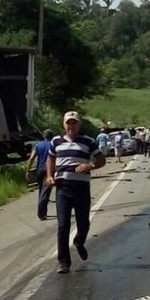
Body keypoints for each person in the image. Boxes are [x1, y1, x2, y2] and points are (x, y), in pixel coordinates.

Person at [46, 111, 106, 273]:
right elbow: (50, 158)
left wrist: (90, 166)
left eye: (74, 123)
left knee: (83, 223)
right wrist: (50, 175)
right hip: (62, 188)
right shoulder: (56, 141)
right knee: (63, 225)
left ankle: (79, 241)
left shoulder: (88, 142)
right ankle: (64, 262)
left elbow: (101, 159)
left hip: (81, 188)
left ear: (79, 125)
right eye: (69, 123)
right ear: (64, 125)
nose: (71, 126)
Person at [24, 129, 54, 220]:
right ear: (52, 136)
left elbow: (31, 158)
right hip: (49, 170)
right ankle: (41, 214)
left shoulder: (38, 145)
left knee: (41, 191)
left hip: (40, 170)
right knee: (46, 192)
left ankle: (43, 212)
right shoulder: (53, 144)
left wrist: (28, 170)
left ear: (43, 136)